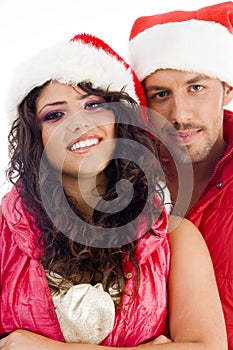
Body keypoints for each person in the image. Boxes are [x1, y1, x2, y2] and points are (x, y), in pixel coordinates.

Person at [0, 33, 227, 350]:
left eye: (93, 105)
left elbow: (207, 347)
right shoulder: (3, 233)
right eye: (55, 114)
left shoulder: (177, 237)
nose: (78, 123)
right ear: (35, 136)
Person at [128, 1, 233, 348]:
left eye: (196, 87)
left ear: (227, 89)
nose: (179, 114)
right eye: (161, 94)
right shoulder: (119, 181)